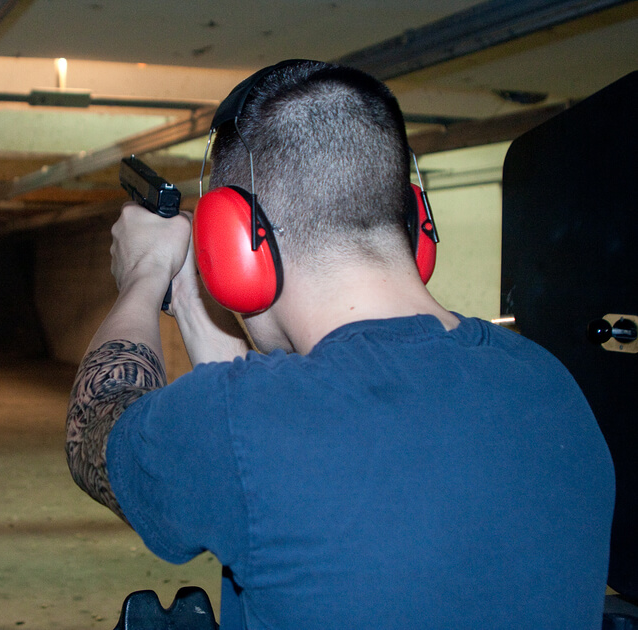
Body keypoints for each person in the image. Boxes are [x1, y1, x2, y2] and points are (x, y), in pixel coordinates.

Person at [66, 60, 615, 629]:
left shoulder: (247, 427)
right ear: (415, 219)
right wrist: (185, 292)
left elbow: (96, 427)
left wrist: (143, 273)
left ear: (232, 244)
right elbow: (283, 424)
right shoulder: (548, 382)